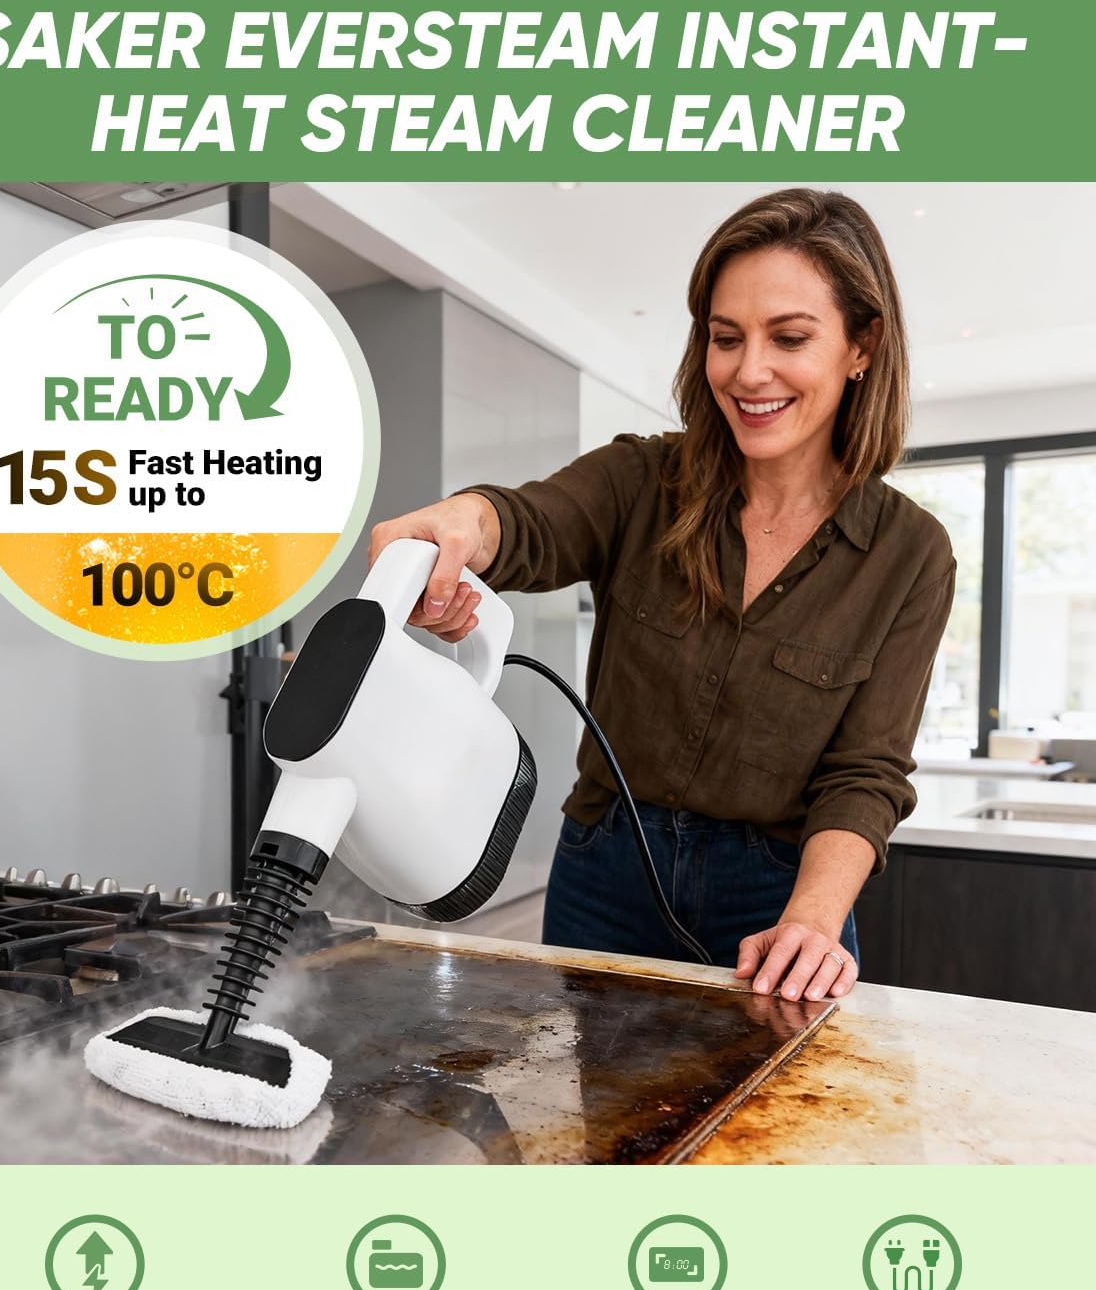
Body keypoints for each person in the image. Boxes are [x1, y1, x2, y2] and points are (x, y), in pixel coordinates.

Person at [369, 187, 955, 1002]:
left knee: (769, 1128)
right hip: (606, 871)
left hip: (781, 898)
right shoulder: (642, 480)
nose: (749, 372)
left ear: (862, 345)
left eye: (789, 337)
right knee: (608, 1123)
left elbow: (867, 771)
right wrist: (462, 524)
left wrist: (813, 922)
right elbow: (532, 522)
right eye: (725, 338)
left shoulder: (909, 553)